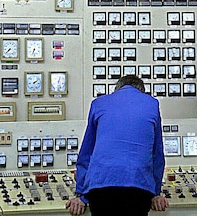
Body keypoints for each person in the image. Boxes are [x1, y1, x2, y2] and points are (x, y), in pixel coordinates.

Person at [66, 75, 169, 215]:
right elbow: (157, 154)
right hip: (139, 188)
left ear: (116, 89)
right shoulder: (152, 104)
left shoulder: (99, 103)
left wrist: (81, 195)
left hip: (101, 187)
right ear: (142, 92)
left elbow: (86, 152)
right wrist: (155, 193)